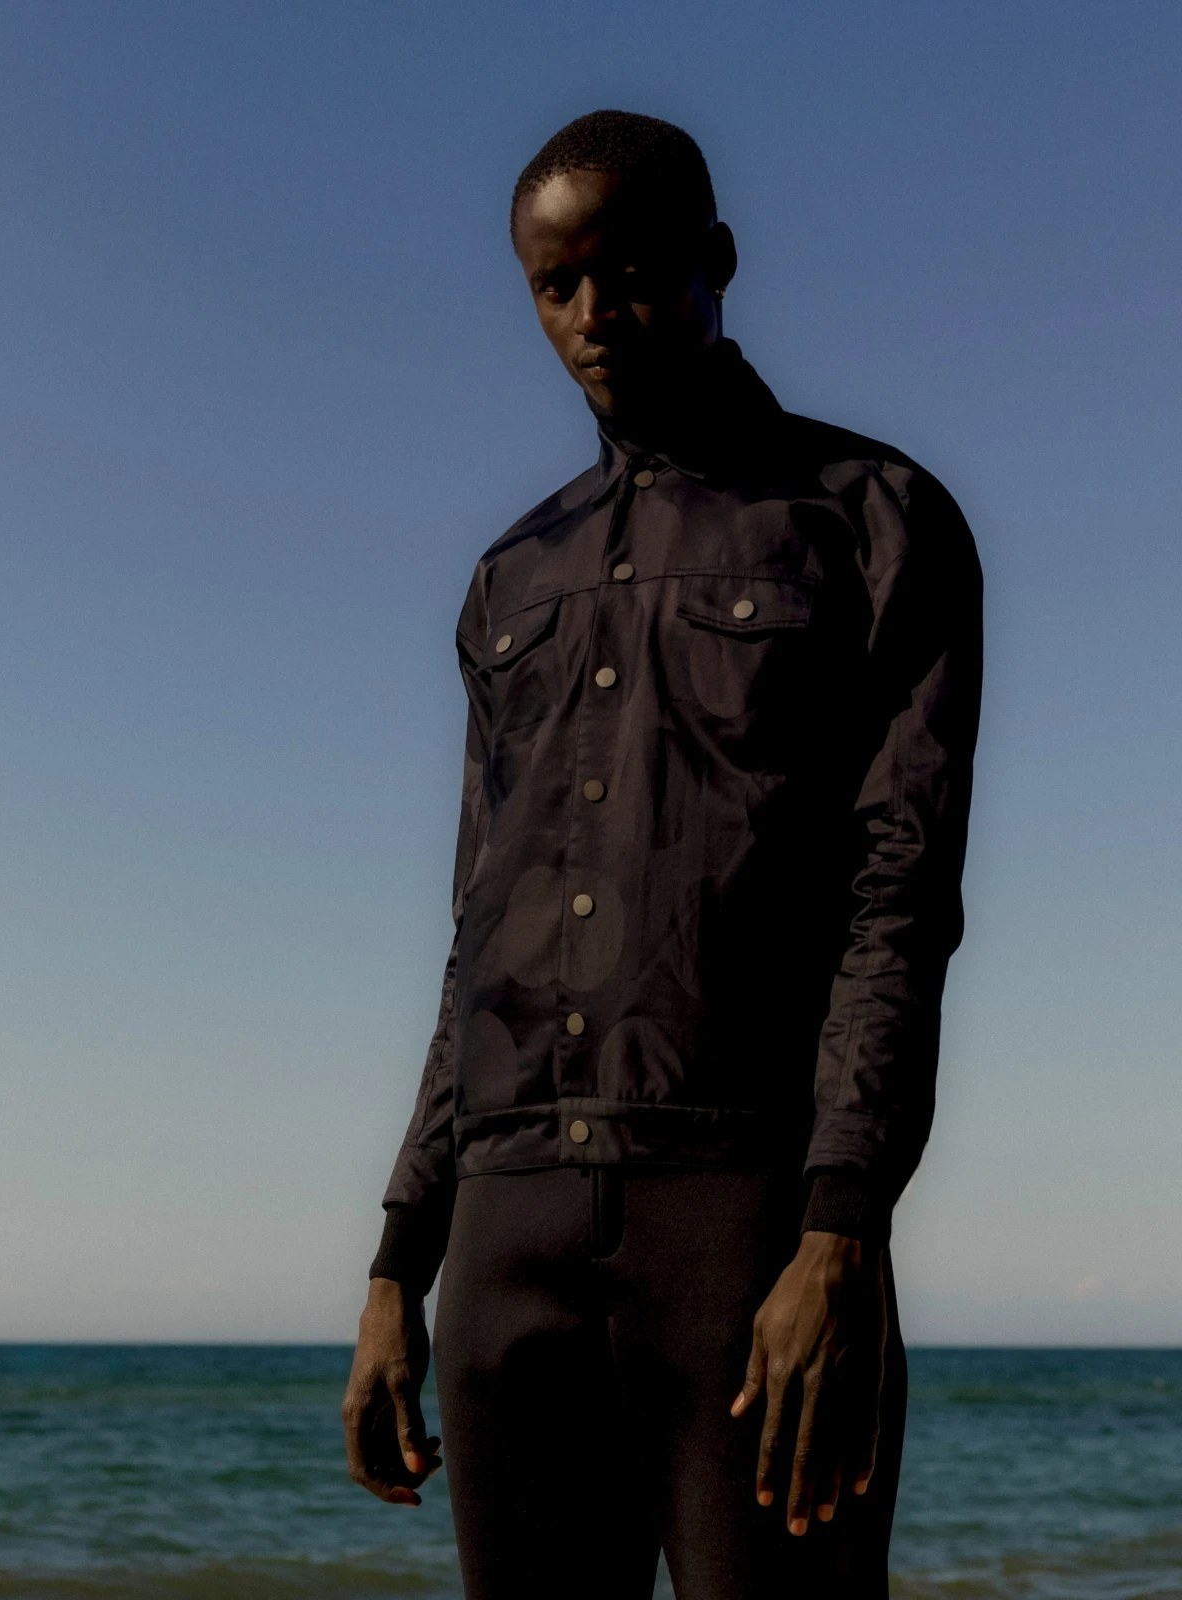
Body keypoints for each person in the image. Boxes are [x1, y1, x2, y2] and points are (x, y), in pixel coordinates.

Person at [342, 109, 982, 1599]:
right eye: (553, 288)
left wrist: (839, 1234)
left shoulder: (873, 523)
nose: (591, 318)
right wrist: (396, 1258)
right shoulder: (509, 580)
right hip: (508, 1238)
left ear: (718, 262)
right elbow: (474, 941)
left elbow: (901, 899)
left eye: (628, 274)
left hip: (744, 1224)